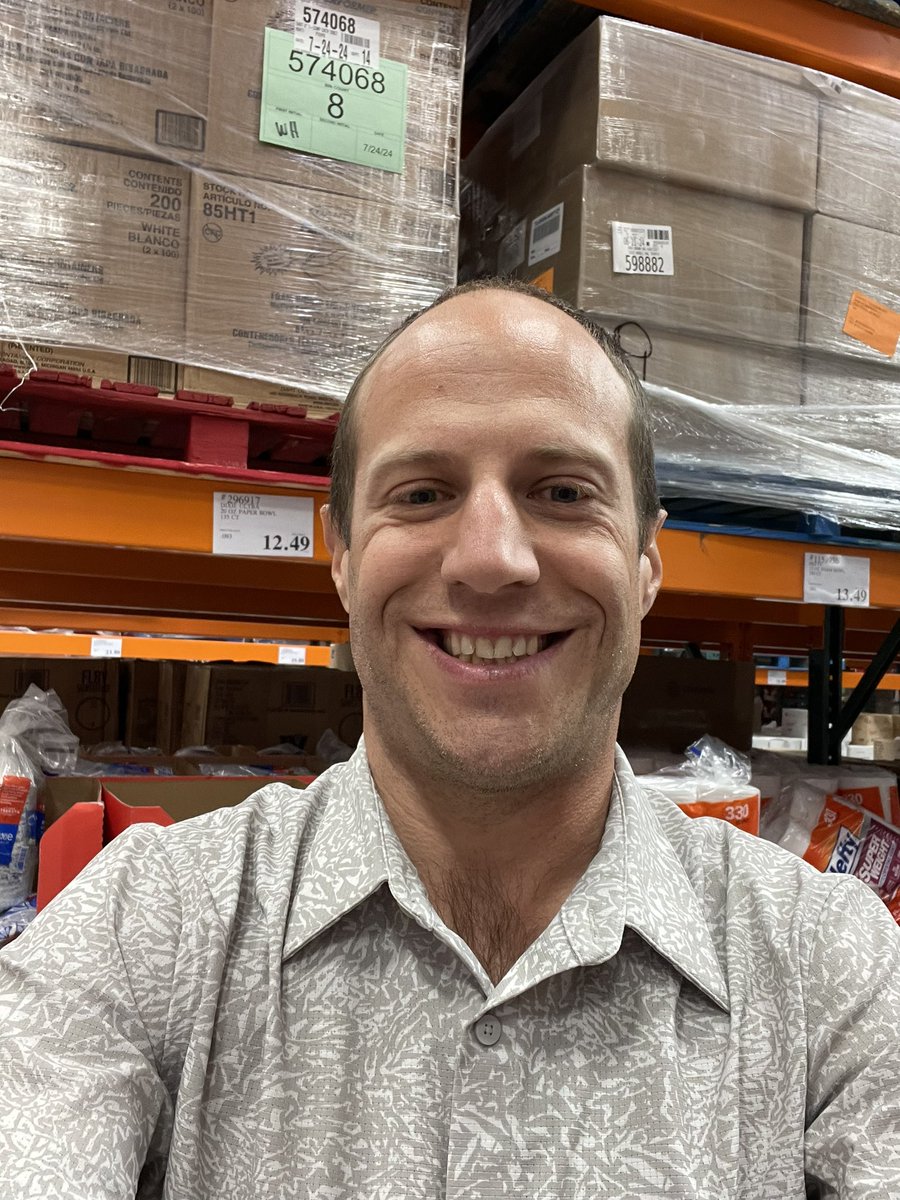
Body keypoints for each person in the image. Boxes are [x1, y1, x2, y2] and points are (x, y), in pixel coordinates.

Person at [1, 279, 898, 1198]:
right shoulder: (148, 929)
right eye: (423, 493)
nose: (490, 558)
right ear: (342, 556)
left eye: (563, 491)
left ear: (646, 563)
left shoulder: (828, 967)